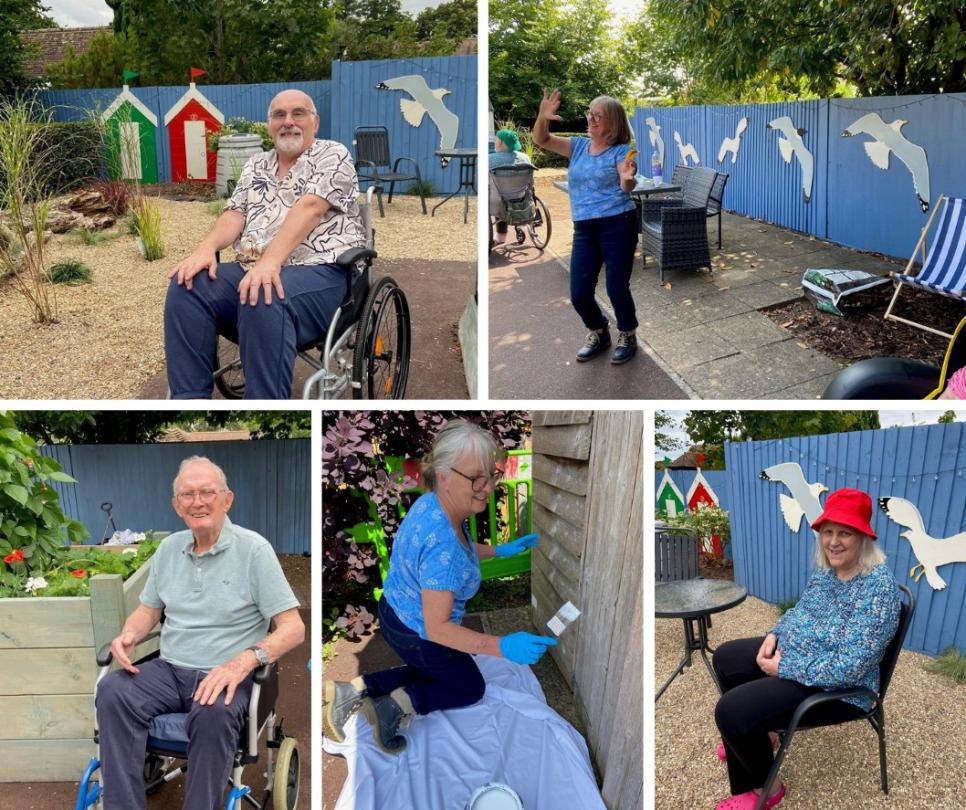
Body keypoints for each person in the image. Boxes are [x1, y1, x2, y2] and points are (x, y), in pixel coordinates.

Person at [323, 419, 556, 754]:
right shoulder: (443, 544)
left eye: (492, 475)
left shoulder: (433, 504)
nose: (488, 486)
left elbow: (457, 551)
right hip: (417, 630)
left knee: (439, 669)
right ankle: (395, 705)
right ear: (444, 474)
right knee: (469, 687)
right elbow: (438, 629)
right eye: (476, 477)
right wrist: (501, 645)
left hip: (395, 610)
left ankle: (357, 688)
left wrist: (499, 550)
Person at [95, 456, 305, 809]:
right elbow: (149, 610)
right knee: (113, 690)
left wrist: (243, 662)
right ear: (177, 506)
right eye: (187, 495)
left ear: (227, 499)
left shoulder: (254, 550)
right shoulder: (168, 550)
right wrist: (129, 633)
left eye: (207, 492)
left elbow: (294, 628)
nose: (198, 501)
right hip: (171, 669)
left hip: (225, 674)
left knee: (213, 713)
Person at [164, 88, 368, 399]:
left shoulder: (332, 155)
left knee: (264, 291)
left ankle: (263, 403)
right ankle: (189, 399)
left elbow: (311, 208)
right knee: (187, 285)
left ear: (315, 121)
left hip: (324, 271)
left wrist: (270, 262)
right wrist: (205, 248)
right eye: (279, 115)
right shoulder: (256, 165)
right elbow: (234, 214)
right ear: (269, 124)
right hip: (253, 267)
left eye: (298, 113)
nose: (289, 122)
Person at [710, 488, 900, 810]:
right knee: (726, 657)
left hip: (842, 688)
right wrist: (775, 633)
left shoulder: (878, 590)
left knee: (731, 711)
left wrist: (782, 668)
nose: (834, 542)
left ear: (863, 538)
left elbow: (850, 666)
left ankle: (765, 788)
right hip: (800, 656)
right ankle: (759, 737)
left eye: (845, 533)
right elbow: (800, 611)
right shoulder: (829, 571)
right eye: (828, 532)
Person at [532, 88, 639, 364]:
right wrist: (543, 116)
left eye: (598, 116)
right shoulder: (578, 146)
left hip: (618, 224)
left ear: (612, 124)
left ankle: (627, 333)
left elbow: (626, 183)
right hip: (585, 229)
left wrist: (628, 179)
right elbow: (541, 139)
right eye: (589, 114)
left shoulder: (620, 151)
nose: (590, 119)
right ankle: (599, 332)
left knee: (616, 287)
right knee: (579, 293)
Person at [489, 128, 533, 244]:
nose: (494, 141)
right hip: (521, 198)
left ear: (500, 142)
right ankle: (521, 224)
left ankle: (500, 237)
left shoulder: (490, 160)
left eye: (496, 139)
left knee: (495, 194)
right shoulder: (525, 158)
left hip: (498, 203)